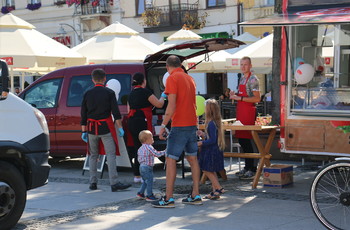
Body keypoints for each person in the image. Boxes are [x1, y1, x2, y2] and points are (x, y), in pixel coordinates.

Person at [152, 55, 202, 208]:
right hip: (191, 123)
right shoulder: (189, 78)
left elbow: (171, 105)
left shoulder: (172, 79)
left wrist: (163, 124)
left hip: (179, 124)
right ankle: (196, 194)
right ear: (180, 65)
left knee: (171, 159)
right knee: (192, 159)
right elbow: (193, 103)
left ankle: (168, 198)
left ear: (168, 67)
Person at [81, 68, 131, 192]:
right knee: (111, 155)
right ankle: (114, 183)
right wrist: (120, 128)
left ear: (92, 79)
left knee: (93, 155)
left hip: (91, 128)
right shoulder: (109, 93)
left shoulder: (87, 93)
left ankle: (93, 182)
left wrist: (83, 131)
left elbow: (83, 114)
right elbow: (116, 112)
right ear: (105, 79)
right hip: (105, 128)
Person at [127, 72, 166, 183]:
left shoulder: (130, 94)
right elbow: (159, 104)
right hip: (142, 121)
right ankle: (145, 175)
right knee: (146, 148)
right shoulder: (145, 92)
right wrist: (163, 96)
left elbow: (128, 110)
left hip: (132, 121)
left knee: (137, 148)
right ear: (143, 81)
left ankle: (137, 175)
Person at [230, 56, 261, 179]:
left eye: (245, 64)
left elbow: (257, 98)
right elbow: (242, 94)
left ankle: (252, 168)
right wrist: (235, 95)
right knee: (242, 140)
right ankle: (247, 167)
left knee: (247, 140)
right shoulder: (242, 78)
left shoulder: (253, 79)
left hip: (248, 111)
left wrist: (240, 98)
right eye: (241, 64)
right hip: (241, 111)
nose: (243, 67)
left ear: (250, 66)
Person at [197, 99, 226, 200]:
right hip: (214, 149)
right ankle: (215, 192)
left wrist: (201, 143)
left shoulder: (211, 123)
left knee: (206, 169)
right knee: (211, 170)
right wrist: (203, 134)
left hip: (211, 150)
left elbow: (212, 140)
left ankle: (219, 188)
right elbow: (213, 137)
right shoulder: (214, 122)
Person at [136, 130, 166, 201]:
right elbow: (156, 154)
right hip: (147, 167)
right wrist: (165, 152)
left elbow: (138, 158)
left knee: (145, 181)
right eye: (151, 137)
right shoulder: (149, 147)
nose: (153, 139)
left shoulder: (140, 148)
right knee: (149, 181)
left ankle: (140, 193)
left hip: (141, 166)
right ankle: (149, 195)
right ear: (146, 140)